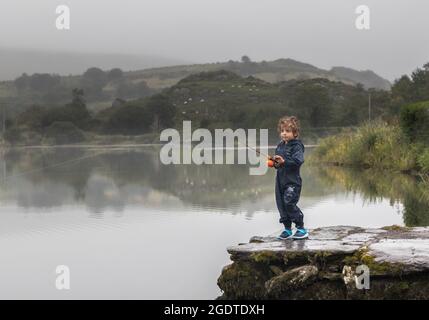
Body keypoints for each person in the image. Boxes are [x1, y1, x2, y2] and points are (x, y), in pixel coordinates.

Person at [273, 116, 308, 240]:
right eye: (282, 131)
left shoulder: (297, 146)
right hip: (280, 181)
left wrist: (284, 161)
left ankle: (301, 228)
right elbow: (278, 165)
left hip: (292, 182)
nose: (284, 134)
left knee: (289, 203)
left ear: (295, 133)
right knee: (281, 204)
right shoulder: (280, 146)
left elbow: (298, 161)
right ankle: (287, 229)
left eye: (287, 131)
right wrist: (275, 163)